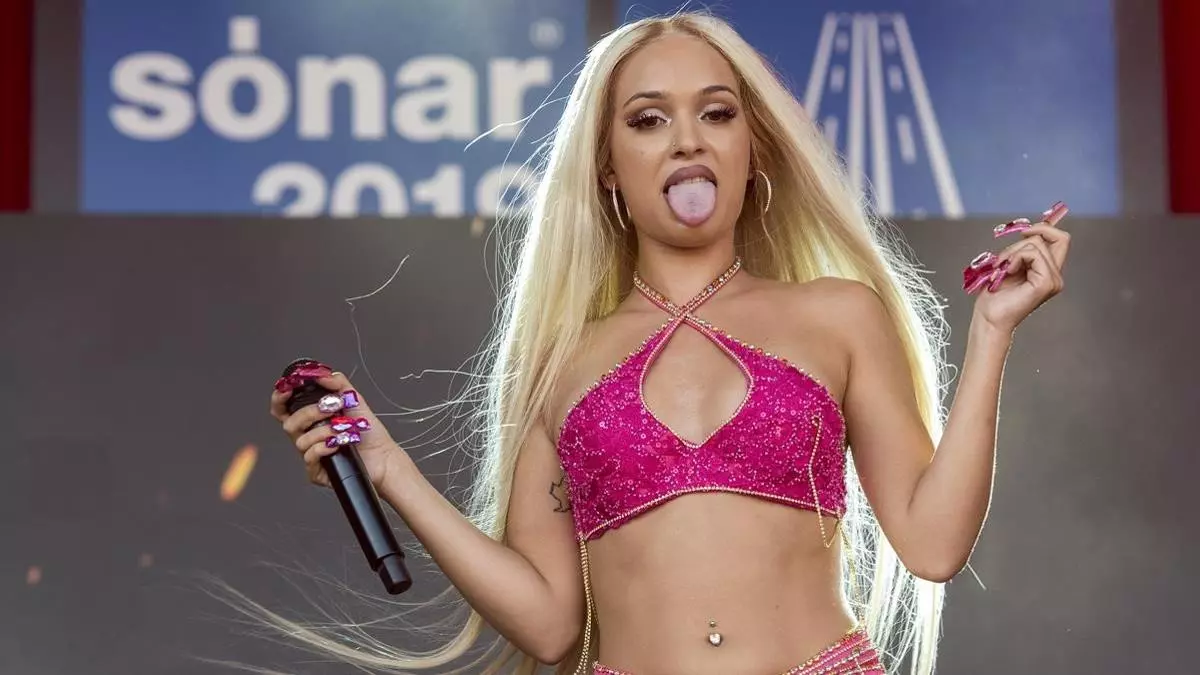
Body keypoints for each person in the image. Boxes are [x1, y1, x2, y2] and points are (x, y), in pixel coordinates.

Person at [264, 11, 1070, 675]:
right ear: (608, 167)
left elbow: (933, 544)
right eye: (649, 120)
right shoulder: (559, 361)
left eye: (716, 113)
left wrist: (992, 333)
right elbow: (549, 624)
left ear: (751, 149)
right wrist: (388, 469)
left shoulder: (839, 316)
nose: (688, 140)